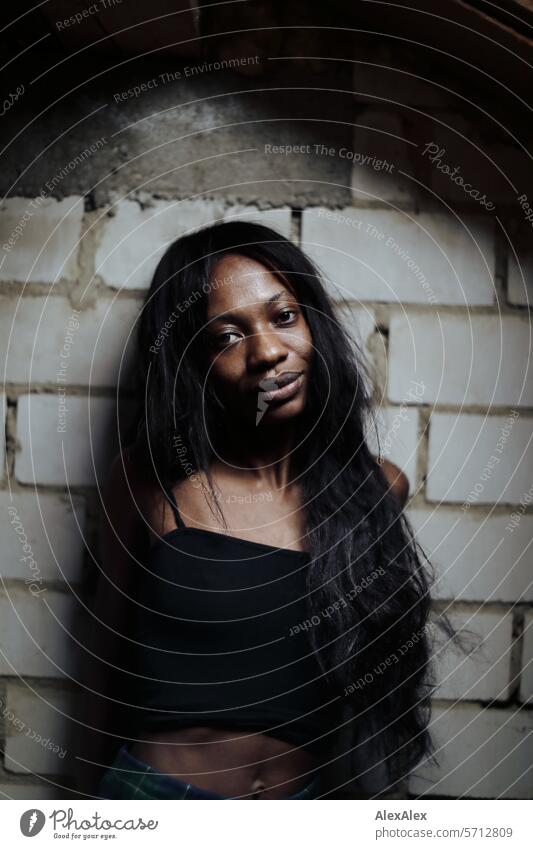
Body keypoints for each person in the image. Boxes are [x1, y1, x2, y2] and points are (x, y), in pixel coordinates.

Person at [80, 221, 454, 800]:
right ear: (195, 361)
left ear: (312, 325)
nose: (268, 351)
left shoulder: (376, 488)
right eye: (228, 336)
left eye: (283, 317)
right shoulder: (148, 483)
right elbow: (104, 668)